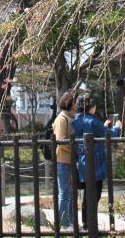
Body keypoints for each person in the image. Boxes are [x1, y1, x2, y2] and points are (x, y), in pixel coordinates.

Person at [72, 95, 122, 231]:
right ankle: (91, 224)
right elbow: (110, 134)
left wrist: (103, 126)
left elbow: (98, 131)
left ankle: (86, 223)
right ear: (91, 107)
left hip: (82, 161)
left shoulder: (76, 120)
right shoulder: (93, 121)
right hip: (96, 161)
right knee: (95, 194)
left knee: (87, 194)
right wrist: (117, 127)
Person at [51, 91, 79, 229]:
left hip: (73, 161)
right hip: (63, 161)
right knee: (64, 194)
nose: (77, 104)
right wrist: (75, 147)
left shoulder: (72, 117)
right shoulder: (62, 119)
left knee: (73, 194)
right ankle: (64, 224)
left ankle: (72, 222)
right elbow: (60, 141)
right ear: (70, 103)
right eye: (75, 102)